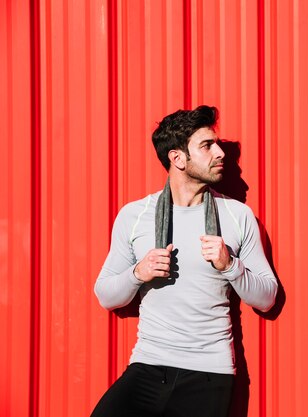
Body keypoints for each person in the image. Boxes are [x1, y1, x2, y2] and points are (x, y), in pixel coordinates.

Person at [91, 105, 277, 417]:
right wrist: (138, 272)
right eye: (206, 146)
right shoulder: (135, 216)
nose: (220, 153)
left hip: (208, 375)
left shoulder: (237, 216)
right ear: (177, 158)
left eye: (216, 144)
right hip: (148, 366)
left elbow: (267, 298)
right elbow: (106, 296)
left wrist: (230, 265)